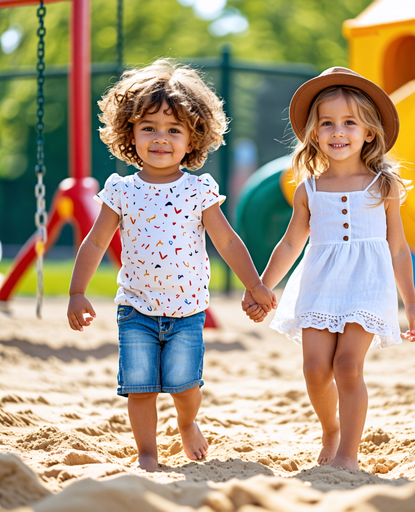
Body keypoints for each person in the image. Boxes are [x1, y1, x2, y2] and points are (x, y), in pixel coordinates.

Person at [66, 59, 275, 472]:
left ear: (193, 137)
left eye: (173, 129)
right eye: (149, 128)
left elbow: (227, 241)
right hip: (136, 308)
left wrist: (254, 285)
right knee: (140, 389)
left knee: (185, 386)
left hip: (187, 310)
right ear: (130, 133)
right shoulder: (121, 191)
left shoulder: (199, 190)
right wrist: (76, 291)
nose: (160, 138)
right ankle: (147, 454)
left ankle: (187, 422)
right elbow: (95, 241)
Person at [242, 67, 415, 470]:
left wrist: (409, 302)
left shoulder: (383, 186)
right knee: (314, 369)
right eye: (327, 123)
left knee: (346, 366)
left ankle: (348, 455)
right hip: (319, 283)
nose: (337, 131)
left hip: (367, 285)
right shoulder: (308, 188)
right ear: (314, 133)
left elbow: (397, 247)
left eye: (349, 122)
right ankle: (330, 428)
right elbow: (291, 243)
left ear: (369, 133)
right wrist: (262, 286)